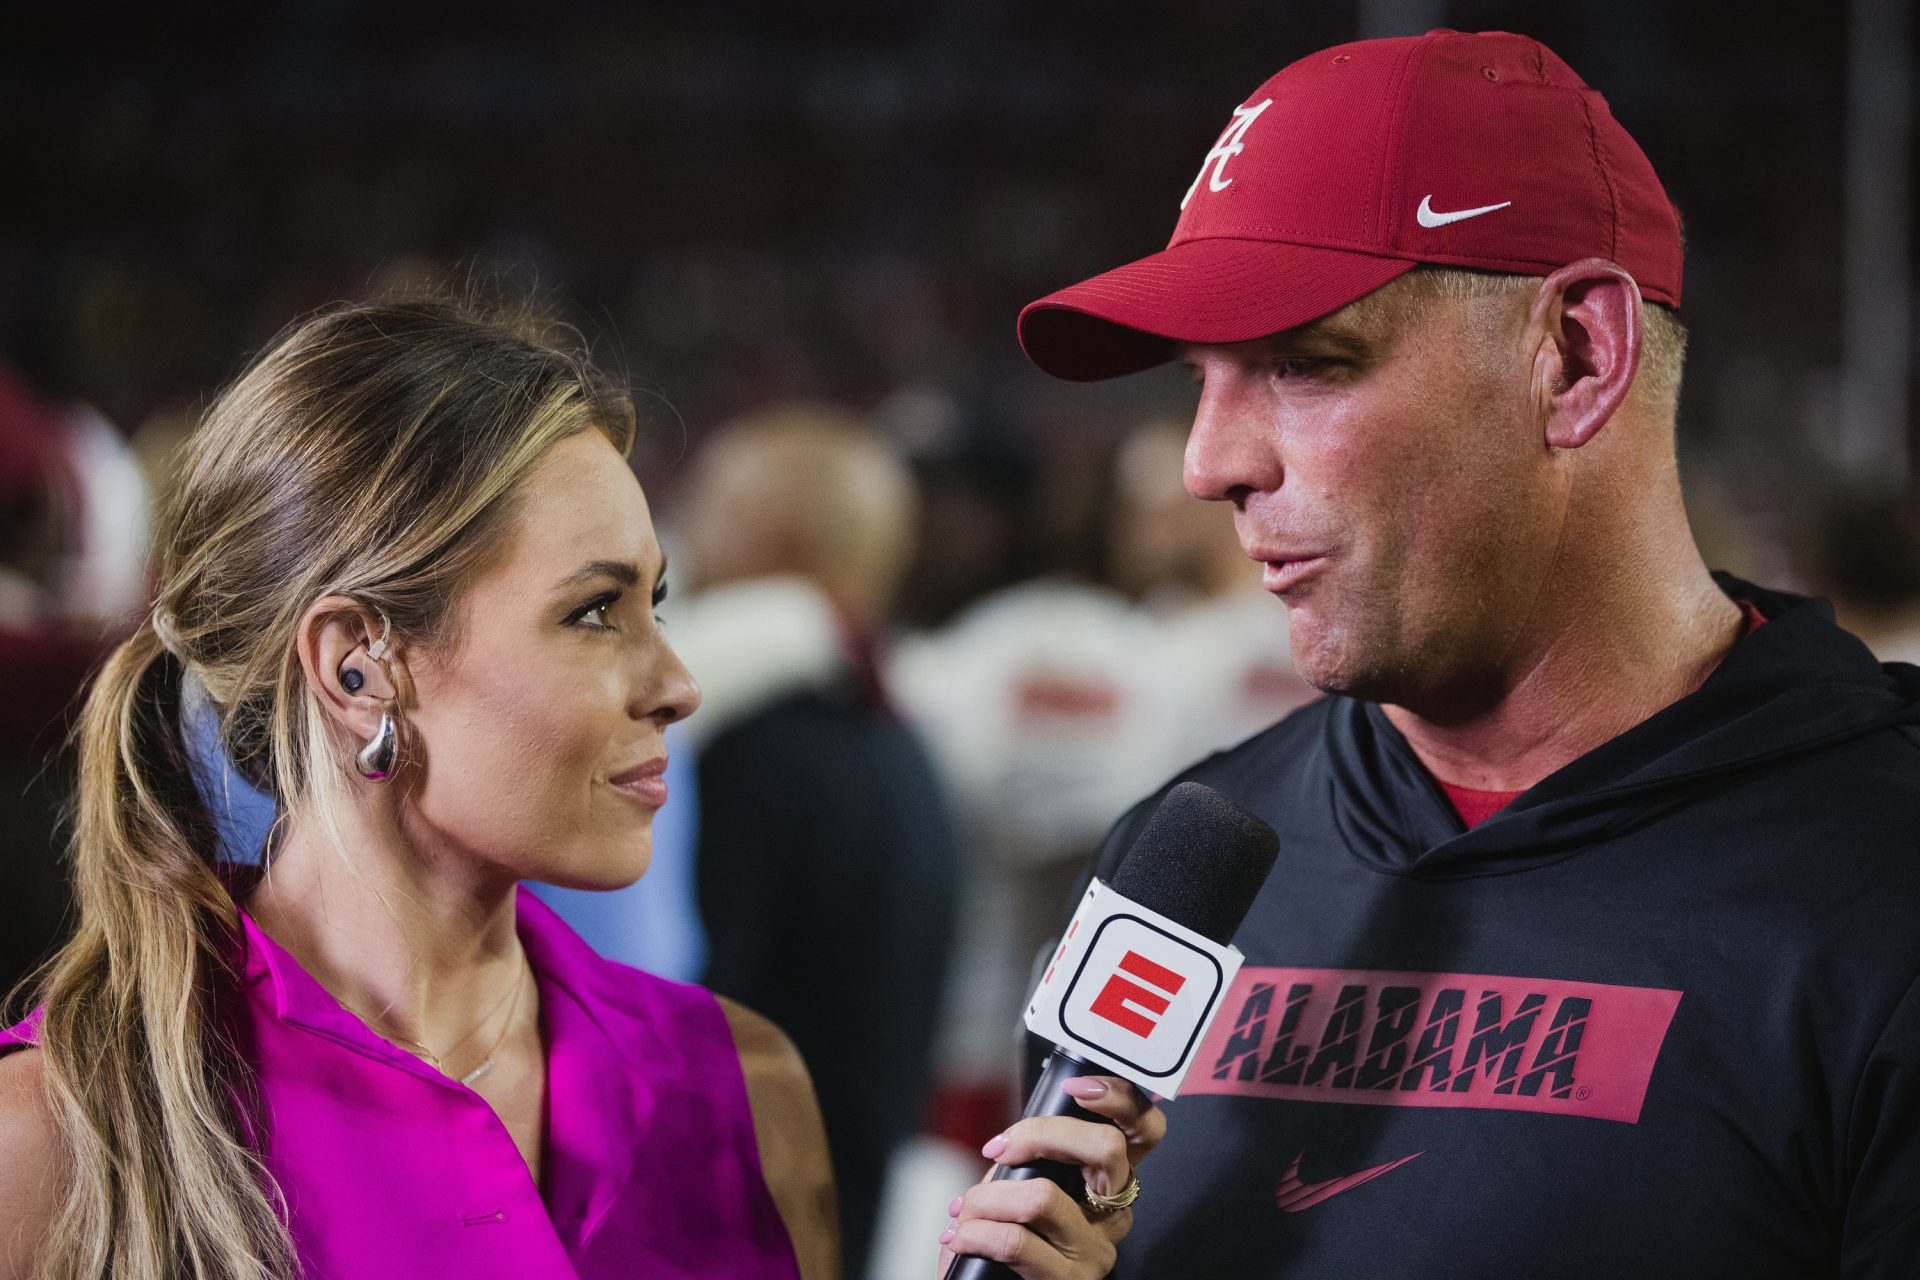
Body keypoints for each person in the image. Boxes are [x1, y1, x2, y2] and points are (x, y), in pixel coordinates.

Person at [1010, 29, 1920, 1279]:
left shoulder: (1882, 883)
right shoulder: (1183, 869)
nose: (1207, 464)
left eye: (1304, 363)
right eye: (1198, 382)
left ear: (1579, 357)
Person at [0, 298, 1144, 1280]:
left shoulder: (744, 1087)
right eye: (594, 611)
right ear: (358, 664)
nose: (678, 683)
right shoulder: (58, 1134)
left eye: (661, 601)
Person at [668, 404, 961, 1280]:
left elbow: (683, 1025)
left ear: (769, 528)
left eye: (707, 503)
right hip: (840, 1226)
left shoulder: (748, 751)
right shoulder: (899, 741)